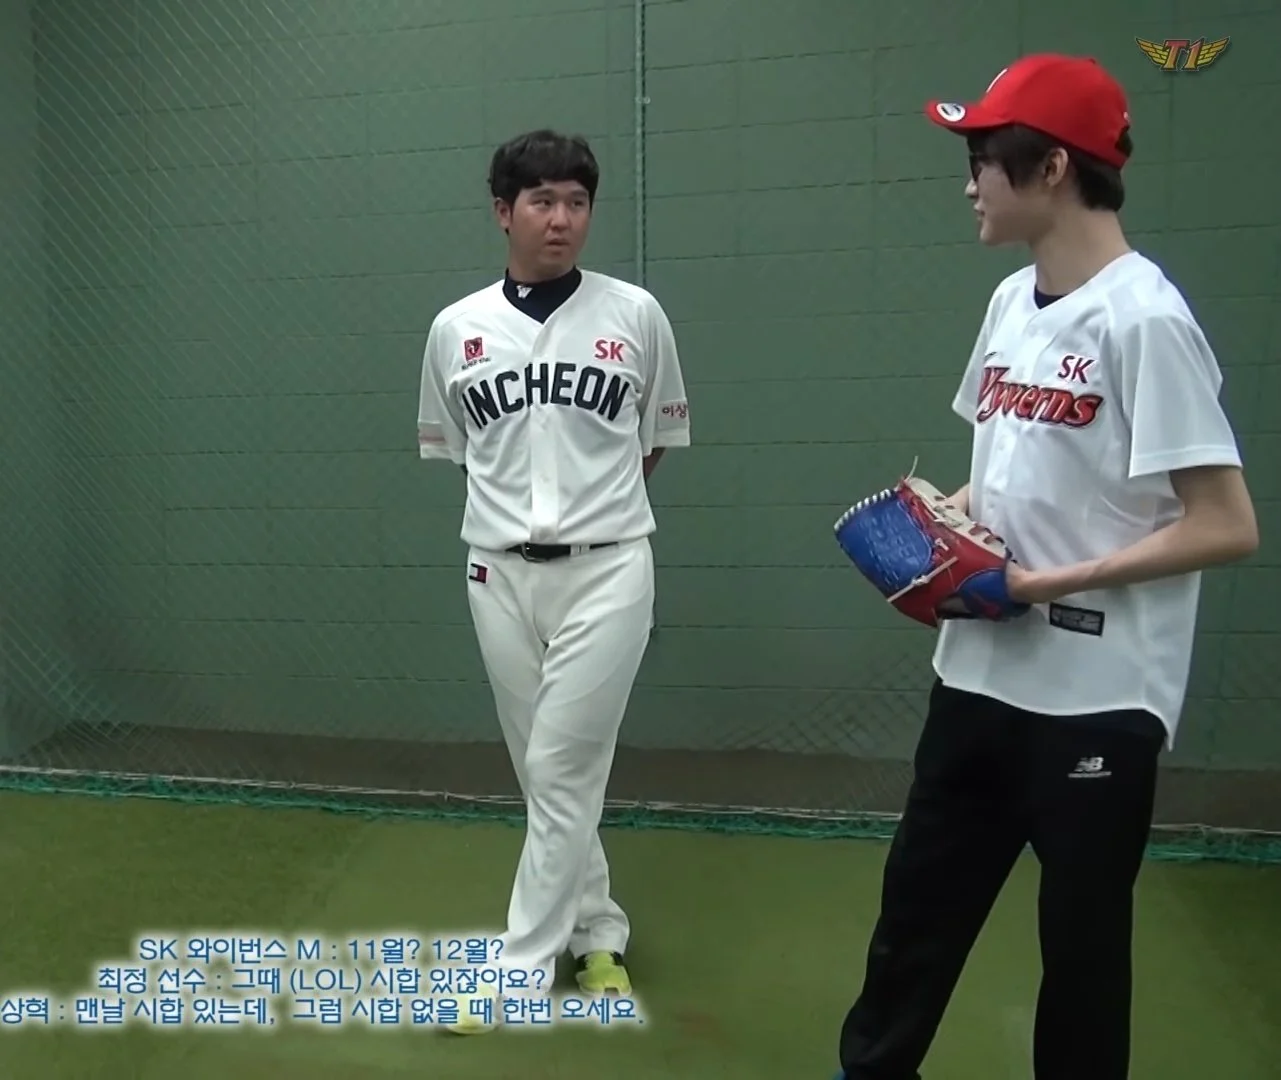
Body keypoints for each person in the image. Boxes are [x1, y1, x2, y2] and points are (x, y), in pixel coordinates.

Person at [835, 54, 1259, 1080]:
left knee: (1081, 956)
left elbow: (1224, 524)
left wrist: (1036, 584)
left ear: (1053, 167)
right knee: (911, 926)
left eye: (983, 159)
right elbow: (1004, 476)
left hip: (1098, 703)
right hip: (976, 681)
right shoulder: (1008, 305)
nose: (969, 184)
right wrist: (941, 524)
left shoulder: (1145, 319)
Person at [415, 129, 691, 1033]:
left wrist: (589, 515)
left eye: (576, 201)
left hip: (608, 570)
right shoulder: (455, 329)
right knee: (548, 778)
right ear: (504, 211)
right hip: (496, 573)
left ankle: (518, 971)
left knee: (560, 767)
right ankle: (598, 930)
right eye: (541, 201)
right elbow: (466, 453)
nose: (561, 218)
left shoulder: (635, 315)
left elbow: (652, 443)